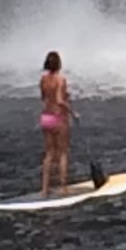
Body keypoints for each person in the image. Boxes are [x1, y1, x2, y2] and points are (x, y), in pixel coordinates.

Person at [39, 50, 72, 196]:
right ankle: (63, 187)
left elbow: (44, 97)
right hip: (58, 118)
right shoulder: (61, 79)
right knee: (62, 153)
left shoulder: (43, 79)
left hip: (45, 118)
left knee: (49, 154)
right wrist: (72, 112)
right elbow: (59, 100)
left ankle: (45, 189)